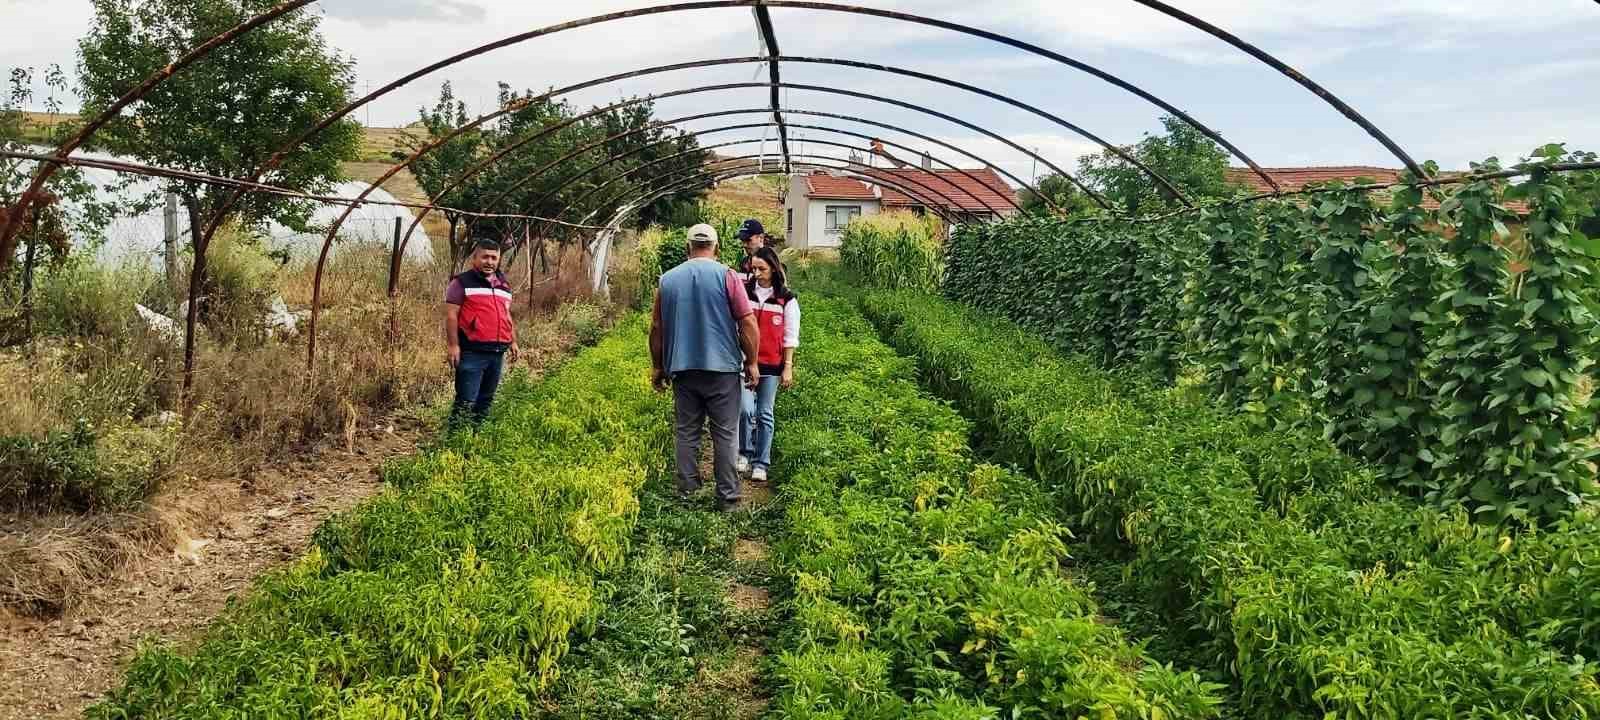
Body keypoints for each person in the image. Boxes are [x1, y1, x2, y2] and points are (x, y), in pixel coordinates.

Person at [649, 223, 761, 511]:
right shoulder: (727, 276)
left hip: (683, 369)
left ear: (688, 247)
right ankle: (728, 498)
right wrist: (751, 362)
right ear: (716, 247)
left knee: (687, 431)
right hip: (722, 369)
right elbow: (747, 321)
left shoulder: (668, 280)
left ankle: (688, 492)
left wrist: (658, 367)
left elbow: (657, 327)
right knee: (724, 433)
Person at [737, 246, 799, 483]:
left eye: (761, 268)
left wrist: (788, 366)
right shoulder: (744, 292)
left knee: (764, 413)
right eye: (753, 268)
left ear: (773, 268)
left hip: (772, 365)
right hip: (744, 362)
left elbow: (790, 335)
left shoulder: (786, 299)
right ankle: (744, 452)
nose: (757, 273)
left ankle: (761, 463)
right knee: (744, 410)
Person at [444, 239, 520, 428]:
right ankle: (455, 441)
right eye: (485, 257)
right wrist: (453, 346)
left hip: (497, 352)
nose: (489, 262)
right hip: (472, 352)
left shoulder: (503, 285)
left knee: (486, 399)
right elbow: (451, 315)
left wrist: (513, 341)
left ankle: (476, 436)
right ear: (474, 258)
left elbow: (506, 315)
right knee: (466, 400)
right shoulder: (461, 282)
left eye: (494, 258)